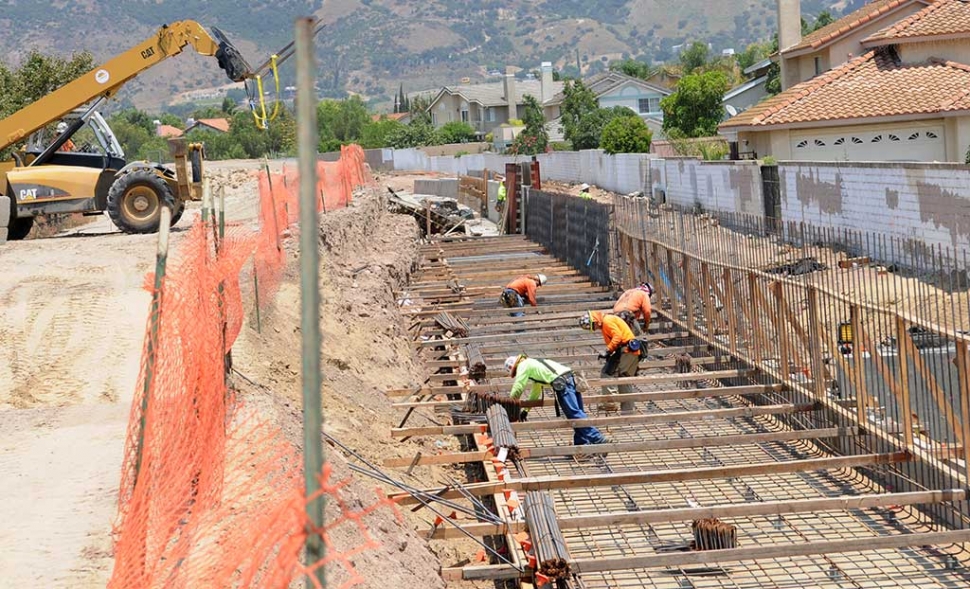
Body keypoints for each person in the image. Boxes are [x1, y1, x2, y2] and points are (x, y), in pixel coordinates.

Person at [505, 354, 608, 448]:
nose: (517, 373)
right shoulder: (533, 363)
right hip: (570, 379)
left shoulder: (523, 365)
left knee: (574, 414)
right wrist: (525, 411)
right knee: (577, 414)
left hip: (563, 383)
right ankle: (582, 445)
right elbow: (535, 393)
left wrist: (510, 404)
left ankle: (597, 438)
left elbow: (518, 387)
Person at [580, 310, 642, 414]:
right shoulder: (606, 321)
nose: (594, 329)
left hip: (627, 350)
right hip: (624, 350)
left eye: (592, 326)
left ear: (595, 321)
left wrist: (607, 350)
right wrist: (610, 353)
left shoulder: (607, 321)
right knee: (613, 375)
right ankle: (622, 407)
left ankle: (619, 407)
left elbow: (618, 336)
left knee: (621, 378)